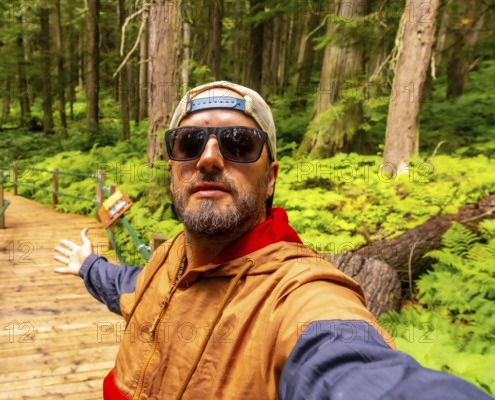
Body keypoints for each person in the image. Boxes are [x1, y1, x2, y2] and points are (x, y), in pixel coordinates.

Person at [54, 81, 489, 399]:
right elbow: (133, 286)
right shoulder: (171, 257)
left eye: (239, 143)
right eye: (188, 143)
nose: (208, 158)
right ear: (172, 168)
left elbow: (348, 368)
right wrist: (88, 266)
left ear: (270, 179)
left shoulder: (300, 297)